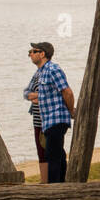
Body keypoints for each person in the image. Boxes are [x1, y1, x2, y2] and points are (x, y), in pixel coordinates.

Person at [25, 41, 75, 183]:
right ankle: (62, 185)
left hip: (57, 117)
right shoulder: (40, 73)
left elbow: (67, 92)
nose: (30, 54)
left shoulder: (53, 69)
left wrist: (71, 110)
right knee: (57, 154)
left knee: (52, 155)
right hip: (48, 121)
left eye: (33, 51)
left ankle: (54, 189)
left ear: (42, 54)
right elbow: (26, 92)